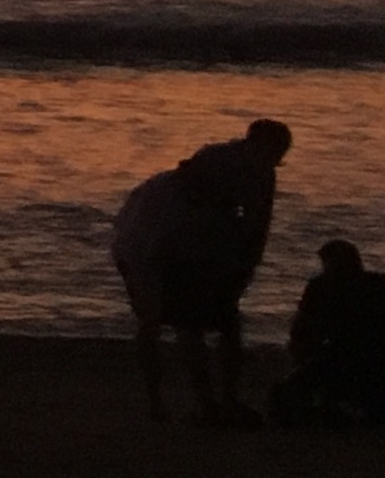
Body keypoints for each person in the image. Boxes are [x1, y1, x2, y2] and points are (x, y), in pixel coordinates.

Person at [111, 119, 293, 424]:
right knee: (188, 322)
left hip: (155, 231)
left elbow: (249, 227)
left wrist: (238, 268)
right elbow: (253, 228)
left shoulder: (223, 158)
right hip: (159, 237)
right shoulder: (247, 169)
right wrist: (241, 271)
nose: (276, 160)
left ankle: (200, 402)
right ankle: (203, 402)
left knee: (180, 322)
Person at [275, 240, 385, 428]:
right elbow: (302, 330)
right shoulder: (375, 285)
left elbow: (301, 330)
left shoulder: (323, 288)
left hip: (351, 359)